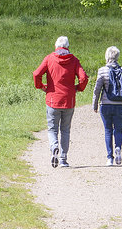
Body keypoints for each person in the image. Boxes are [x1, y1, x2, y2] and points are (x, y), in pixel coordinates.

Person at [33, 35, 88, 168]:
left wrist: (41, 86)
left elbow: (36, 74)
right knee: (65, 130)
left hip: (52, 100)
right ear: (68, 47)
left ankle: (54, 147)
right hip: (69, 100)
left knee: (52, 129)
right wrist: (78, 88)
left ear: (56, 46)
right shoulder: (74, 60)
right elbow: (83, 78)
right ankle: (63, 159)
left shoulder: (49, 58)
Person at [93, 46, 122, 165]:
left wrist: (95, 104)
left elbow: (97, 89)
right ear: (117, 57)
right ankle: (118, 148)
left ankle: (109, 158)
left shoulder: (102, 70)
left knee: (108, 130)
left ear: (107, 56)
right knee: (119, 130)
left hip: (106, 105)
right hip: (121, 105)